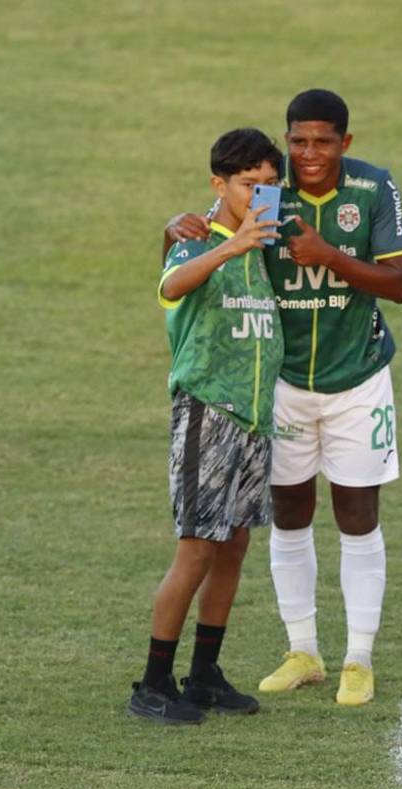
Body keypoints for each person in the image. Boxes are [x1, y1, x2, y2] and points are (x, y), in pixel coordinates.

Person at [164, 90, 402, 706]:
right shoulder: (269, 188)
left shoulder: (374, 190)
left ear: (345, 144)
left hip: (358, 376)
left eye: (323, 142)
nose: (309, 154)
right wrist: (170, 227)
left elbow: (399, 284)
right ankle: (302, 650)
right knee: (288, 512)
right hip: (282, 384)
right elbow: (210, 229)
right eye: (298, 141)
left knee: (357, 513)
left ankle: (359, 656)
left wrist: (330, 257)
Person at [129, 128, 284, 725]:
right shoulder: (195, 241)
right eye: (250, 185)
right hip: (207, 413)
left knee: (234, 544)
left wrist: (253, 241)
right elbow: (170, 287)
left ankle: (205, 675)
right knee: (196, 548)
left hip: (254, 420)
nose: (262, 195)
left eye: (271, 185)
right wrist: (230, 244)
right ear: (219, 184)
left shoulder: (264, 244)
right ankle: (152, 681)